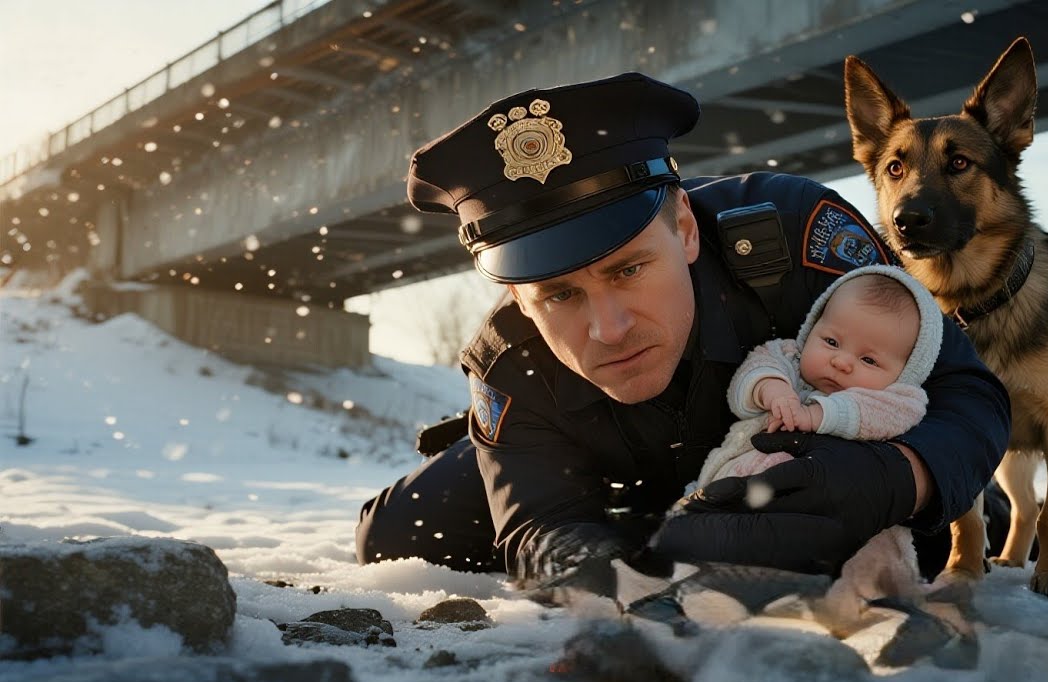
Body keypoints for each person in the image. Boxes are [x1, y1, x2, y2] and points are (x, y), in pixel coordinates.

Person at [353, 72, 1011, 590]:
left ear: (687, 229)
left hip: (798, 444)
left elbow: (965, 389)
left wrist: (905, 475)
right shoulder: (509, 362)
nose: (608, 330)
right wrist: (619, 570)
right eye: (557, 294)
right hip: (602, 476)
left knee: (919, 522)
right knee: (398, 536)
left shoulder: (794, 239)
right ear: (520, 301)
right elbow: (543, 533)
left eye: (631, 269)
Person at [686, 265, 941, 493]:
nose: (841, 362)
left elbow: (884, 417)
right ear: (811, 328)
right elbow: (754, 371)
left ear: (906, 373)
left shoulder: (899, 402)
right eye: (831, 342)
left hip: (820, 512)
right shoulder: (788, 357)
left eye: (869, 360)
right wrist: (773, 390)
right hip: (729, 483)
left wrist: (816, 416)